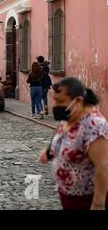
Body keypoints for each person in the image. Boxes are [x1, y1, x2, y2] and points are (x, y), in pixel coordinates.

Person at [39, 78, 108, 210]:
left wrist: (98, 204)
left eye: (60, 101)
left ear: (78, 101)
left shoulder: (94, 126)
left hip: (86, 199)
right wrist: (49, 153)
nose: (55, 105)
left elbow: (103, 167)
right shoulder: (69, 117)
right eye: (54, 99)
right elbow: (62, 139)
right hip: (68, 196)